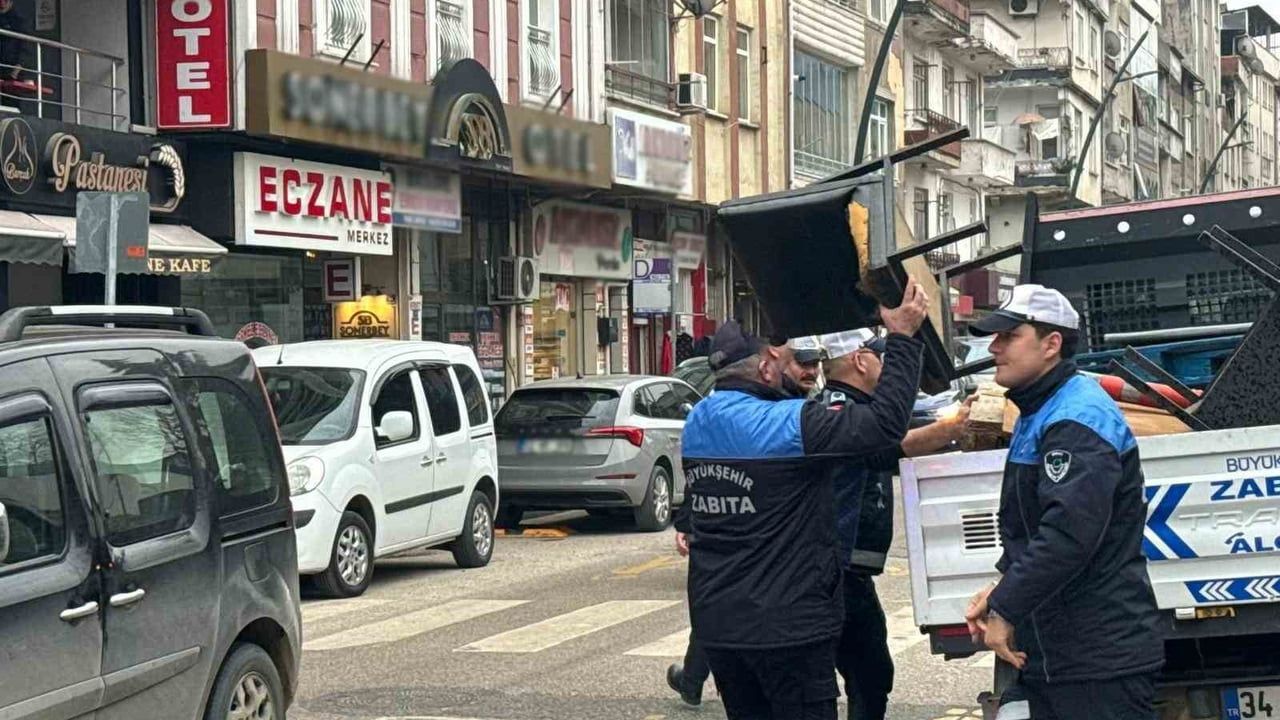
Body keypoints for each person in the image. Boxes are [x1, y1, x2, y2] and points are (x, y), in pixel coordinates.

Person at [679, 281, 929, 720]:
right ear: (766, 366)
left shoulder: (699, 421)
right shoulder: (788, 424)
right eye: (788, 358)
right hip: (788, 629)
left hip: (720, 626)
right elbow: (885, 427)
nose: (798, 366)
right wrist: (904, 340)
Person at [963, 284, 1163, 720]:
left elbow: (1069, 535)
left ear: (1052, 344)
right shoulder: (1044, 409)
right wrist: (1001, 588)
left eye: (1009, 336)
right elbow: (1034, 530)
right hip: (1066, 652)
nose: (994, 347)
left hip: (1096, 659)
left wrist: (1007, 607)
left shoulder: (1075, 419)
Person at [816, 328, 972, 720]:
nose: (887, 368)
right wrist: (949, 429)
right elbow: (888, 447)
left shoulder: (850, 408)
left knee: (865, 670)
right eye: (883, 359)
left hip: (844, 570)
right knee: (864, 671)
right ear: (860, 360)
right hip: (835, 572)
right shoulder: (839, 410)